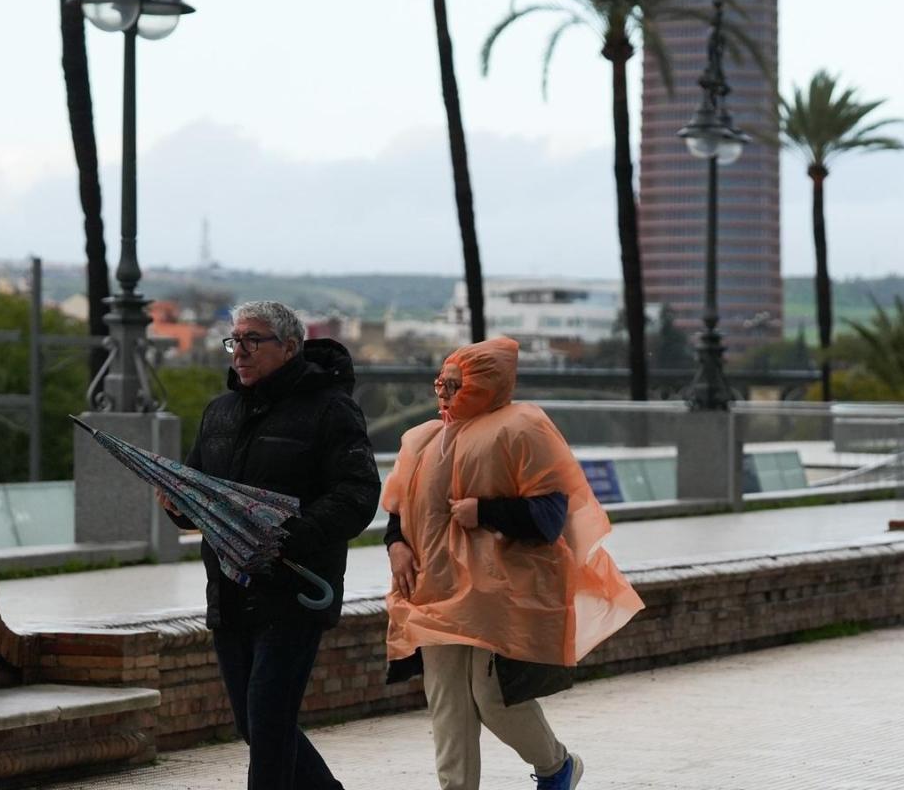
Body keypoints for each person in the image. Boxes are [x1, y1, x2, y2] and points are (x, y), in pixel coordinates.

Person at [381, 337, 643, 790]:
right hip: (433, 589)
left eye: (454, 385)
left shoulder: (523, 429)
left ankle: (556, 765)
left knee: (493, 696)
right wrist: (395, 545)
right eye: (439, 383)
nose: (442, 393)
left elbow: (548, 516)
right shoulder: (422, 439)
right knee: (446, 702)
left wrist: (484, 512)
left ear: (485, 386)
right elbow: (402, 510)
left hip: (496, 590)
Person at [162, 300, 379, 790]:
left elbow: (359, 493)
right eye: (234, 340)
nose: (239, 352)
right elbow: (199, 489)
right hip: (229, 591)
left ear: (288, 347)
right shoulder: (219, 412)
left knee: (269, 724)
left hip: (295, 590)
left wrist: (293, 533)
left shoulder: (331, 409)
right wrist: (176, 504)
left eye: (252, 340)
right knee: (254, 724)